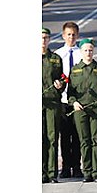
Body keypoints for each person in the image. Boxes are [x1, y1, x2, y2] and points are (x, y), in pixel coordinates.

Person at [67, 39, 97, 183]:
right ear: (81, 52)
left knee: (96, 140)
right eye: (85, 50)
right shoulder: (75, 70)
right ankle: (87, 171)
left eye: (90, 50)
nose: (88, 53)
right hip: (81, 109)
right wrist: (74, 103)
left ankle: (96, 172)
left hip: (96, 108)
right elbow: (70, 92)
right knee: (84, 141)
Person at [55, 22, 83, 179]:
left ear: (77, 36)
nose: (71, 37)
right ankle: (66, 166)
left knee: (77, 135)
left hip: (78, 101)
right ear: (63, 35)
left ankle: (77, 166)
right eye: (68, 34)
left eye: (74, 34)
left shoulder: (81, 53)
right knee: (64, 136)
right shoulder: (58, 55)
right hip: (63, 100)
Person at [42, 27, 66, 184]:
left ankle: (51, 172)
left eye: (46, 38)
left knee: (52, 137)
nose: (43, 41)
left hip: (52, 102)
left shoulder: (56, 59)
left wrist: (60, 85)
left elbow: (62, 79)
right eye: (41, 38)